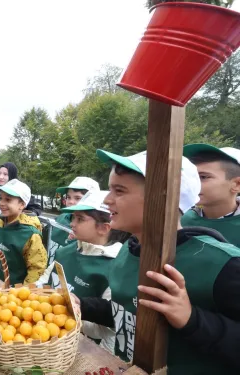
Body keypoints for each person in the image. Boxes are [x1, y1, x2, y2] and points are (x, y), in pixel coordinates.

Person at [77, 149, 240, 373]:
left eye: (119, 190)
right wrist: (81, 305)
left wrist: (192, 318)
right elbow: (128, 313)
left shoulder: (223, 265)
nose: (107, 199)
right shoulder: (127, 251)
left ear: (162, 198)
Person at [38, 190, 129, 352]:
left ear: (104, 228)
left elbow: (107, 329)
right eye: (73, 217)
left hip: (80, 348)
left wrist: (64, 317)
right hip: (44, 335)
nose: (72, 223)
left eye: (80, 219)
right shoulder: (66, 251)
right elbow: (44, 281)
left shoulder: (116, 268)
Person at [0, 179, 48, 286]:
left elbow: (37, 268)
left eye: (8, 200)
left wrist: (23, 292)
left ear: (22, 204)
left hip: (14, 293)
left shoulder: (30, 234)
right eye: (1, 198)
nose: (2, 203)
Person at [182, 144, 240, 246]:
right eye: (192, 176)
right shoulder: (181, 220)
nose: (192, 183)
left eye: (203, 177)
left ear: (237, 184)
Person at [51, 177, 100, 248]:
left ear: (93, 199)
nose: (71, 202)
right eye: (68, 197)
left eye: (78, 198)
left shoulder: (97, 226)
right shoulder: (61, 218)